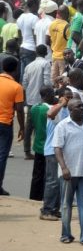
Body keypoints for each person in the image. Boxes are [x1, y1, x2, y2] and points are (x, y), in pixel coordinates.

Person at [54, 97, 83, 245]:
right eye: (79, 106)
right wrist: (64, 168)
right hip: (69, 173)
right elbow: (57, 149)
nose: (82, 108)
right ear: (70, 110)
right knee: (66, 205)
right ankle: (66, 235)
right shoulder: (62, 126)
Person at [0, 54, 25, 196]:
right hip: (5, 124)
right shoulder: (16, 87)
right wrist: (22, 127)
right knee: (2, 156)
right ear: (15, 70)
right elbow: (20, 109)